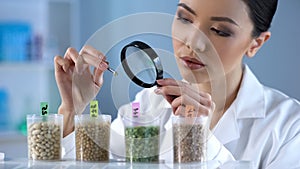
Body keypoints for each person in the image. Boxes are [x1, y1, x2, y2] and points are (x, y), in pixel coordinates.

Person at [54, 0, 300, 168]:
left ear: (255, 44)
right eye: (184, 18)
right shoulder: (150, 104)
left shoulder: (289, 127)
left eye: (219, 30)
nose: (193, 42)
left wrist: (200, 140)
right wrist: (73, 109)